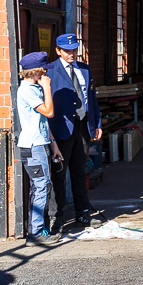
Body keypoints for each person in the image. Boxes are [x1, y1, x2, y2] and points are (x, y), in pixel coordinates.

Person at [46, 33, 101, 229]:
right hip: (61, 129)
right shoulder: (50, 70)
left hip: (83, 126)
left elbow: (91, 98)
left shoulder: (84, 69)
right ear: (58, 51)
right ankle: (57, 217)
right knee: (58, 174)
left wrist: (97, 123)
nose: (72, 54)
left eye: (74, 50)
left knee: (79, 171)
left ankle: (83, 213)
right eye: (67, 51)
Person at [15, 51, 60, 242]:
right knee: (41, 186)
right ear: (36, 72)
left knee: (41, 185)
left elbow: (42, 121)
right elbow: (49, 112)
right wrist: (47, 88)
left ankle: (38, 229)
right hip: (34, 146)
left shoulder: (33, 89)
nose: (46, 76)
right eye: (43, 72)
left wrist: (53, 144)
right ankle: (36, 232)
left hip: (40, 143)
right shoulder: (27, 90)